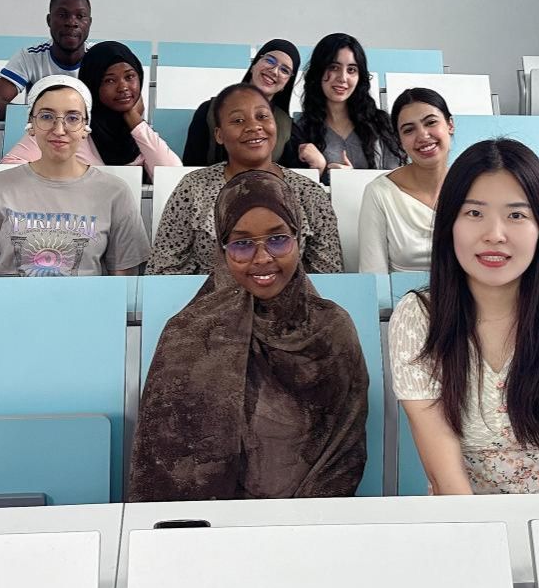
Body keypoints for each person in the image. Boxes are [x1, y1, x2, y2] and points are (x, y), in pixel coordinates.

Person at [389, 139, 539, 494]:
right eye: (474, 213)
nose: (494, 235)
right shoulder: (419, 318)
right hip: (461, 517)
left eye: (516, 215)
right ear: (449, 223)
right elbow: (446, 480)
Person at [129, 170, 368, 501]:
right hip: (205, 523)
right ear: (223, 250)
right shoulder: (187, 335)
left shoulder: (331, 329)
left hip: (309, 520)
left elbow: (345, 452)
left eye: (278, 239)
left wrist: (298, 520)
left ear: (298, 238)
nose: (263, 258)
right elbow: (163, 462)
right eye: (242, 244)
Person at [0, 75, 149, 277]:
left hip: (84, 299)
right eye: (47, 117)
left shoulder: (115, 192)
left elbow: (124, 283)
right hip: (9, 298)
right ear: (31, 124)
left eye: (73, 118)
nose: (59, 130)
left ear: (85, 128)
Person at [150, 83, 343, 274]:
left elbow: (328, 274)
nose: (254, 126)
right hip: (211, 293)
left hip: (290, 293)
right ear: (219, 134)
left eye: (262, 116)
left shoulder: (309, 192)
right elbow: (164, 269)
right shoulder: (193, 188)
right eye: (238, 120)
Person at [0, 41, 180, 181]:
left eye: (130, 77)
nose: (123, 87)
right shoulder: (70, 124)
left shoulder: (138, 133)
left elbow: (172, 177)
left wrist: (133, 118)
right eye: (110, 80)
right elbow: (8, 169)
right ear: (93, 84)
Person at [358, 88, 454, 273]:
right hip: (405, 292)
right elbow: (373, 275)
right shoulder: (379, 193)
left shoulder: (473, 187)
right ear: (399, 140)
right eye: (409, 130)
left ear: (450, 125)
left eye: (431, 122)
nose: (423, 135)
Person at [294, 33, 403, 178]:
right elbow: (296, 188)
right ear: (318, 72)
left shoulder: (382, 124)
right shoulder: (301, 128)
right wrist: (321, 171)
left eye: (351, 70)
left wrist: (349, 178)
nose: (343, 78)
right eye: (334, 67)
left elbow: (397, 182)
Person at [183, 39, 301, 167]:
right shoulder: (209, 111)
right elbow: (191, 168)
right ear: (254, 65)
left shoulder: (288, 129)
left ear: (286, 83)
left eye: (284, 70)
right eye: (270, 61)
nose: (274, 71)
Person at [0, 0, 92, 114]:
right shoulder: (31, 56)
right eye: (62, 15)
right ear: (49, 20)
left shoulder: (101, 56)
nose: (71, 22)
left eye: (80, 16)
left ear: (90, 23)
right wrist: (45, 114)